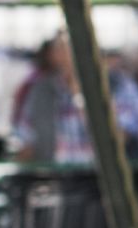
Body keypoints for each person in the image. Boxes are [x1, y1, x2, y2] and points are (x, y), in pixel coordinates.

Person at [12, 32, 90, 163]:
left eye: (70, 49)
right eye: (60, 49)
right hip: (53, 171)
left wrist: (78, 95)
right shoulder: (40, 89)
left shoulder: (110, 86)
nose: (66, 55)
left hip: (94, 173)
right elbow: (24, 135)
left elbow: (116, 136)